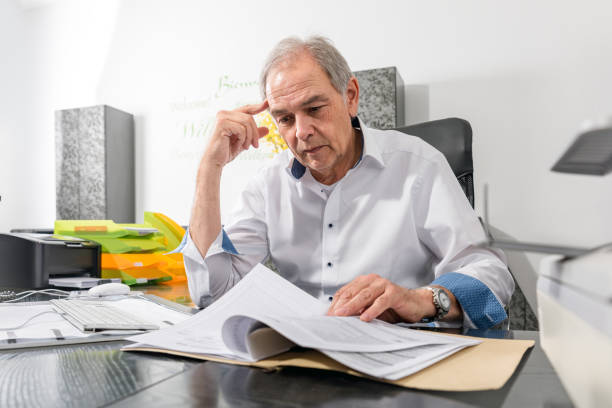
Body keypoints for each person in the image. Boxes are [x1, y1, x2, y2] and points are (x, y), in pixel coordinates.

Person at [180, 35, 514, 328]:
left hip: (398, 356)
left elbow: (490, 274)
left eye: (314, 108)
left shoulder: (418, 166)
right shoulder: (269, 184)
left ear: (350, 96)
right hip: (304, 362)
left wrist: (418, 301)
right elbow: (214, 292)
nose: (302, 131)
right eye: (285, 118)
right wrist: (209, 167)